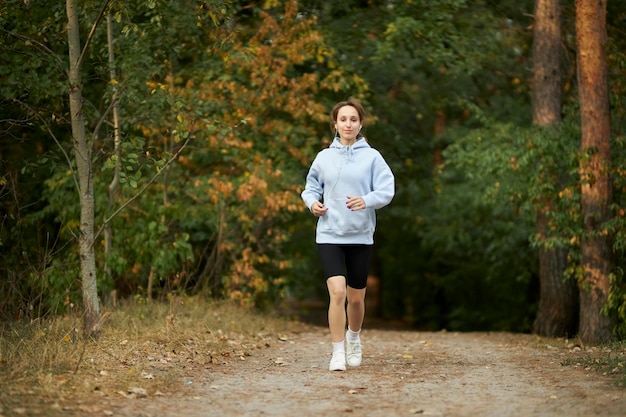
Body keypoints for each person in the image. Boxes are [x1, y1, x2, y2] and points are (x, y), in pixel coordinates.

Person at [301, 99, 395, 371]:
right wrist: (312, 204)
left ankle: (354, 338)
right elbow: (310, 188)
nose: (348, 124)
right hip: (329, 232)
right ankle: (337, 351)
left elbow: (387, 190)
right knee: (337, 293)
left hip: (360, 235)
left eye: (353, 119)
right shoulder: (323, 157)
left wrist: (367, 200)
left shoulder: (373, 157)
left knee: (356, 298)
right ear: (335, 124)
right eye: (343, 119)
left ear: (360, 124)